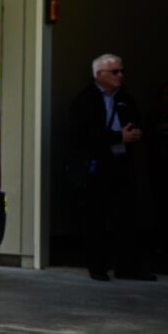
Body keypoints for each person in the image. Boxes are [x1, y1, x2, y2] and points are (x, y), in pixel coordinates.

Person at [67, 54, 155, 281]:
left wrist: (136, 133)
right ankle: (98, 267)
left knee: (126, 215)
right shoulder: (84, 101)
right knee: (96, 216)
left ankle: (128, 267)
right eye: (114, 72)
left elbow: (136, 119)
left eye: (121, 71)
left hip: (122, 163)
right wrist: (117, 137)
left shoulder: (125, 97)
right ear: (99, 75)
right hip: (98, 166)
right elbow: (83, 135)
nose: (120, 75)